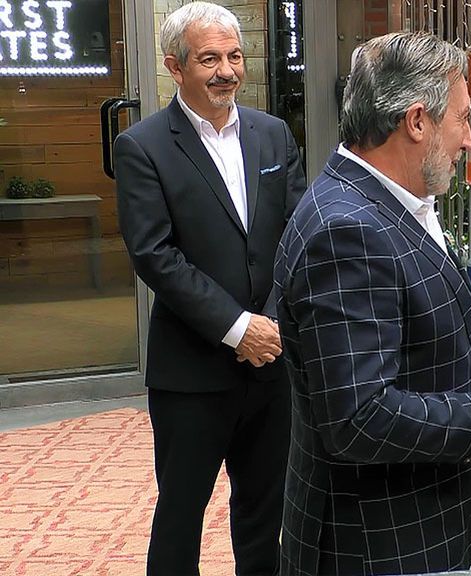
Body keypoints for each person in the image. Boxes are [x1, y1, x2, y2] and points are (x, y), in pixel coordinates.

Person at [274, 32, 471, 575]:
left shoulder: (383, 203)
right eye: (464, 119)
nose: (470, 140)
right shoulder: (347, 230)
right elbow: (360, 417)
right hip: (375, 543)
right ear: (416, 122)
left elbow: (392, 346)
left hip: (404, 528)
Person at [113, 3, 306, 574]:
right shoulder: (143, 146)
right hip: (192, 373)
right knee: (180, 516)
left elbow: (296, 237)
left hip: (273, 367)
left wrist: (268, 325)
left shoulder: (273, 135)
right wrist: (237, 327)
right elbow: (154, 254)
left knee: (265, 513)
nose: (226, 70)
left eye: (234, 56)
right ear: (174, 66)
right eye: (209, 59)